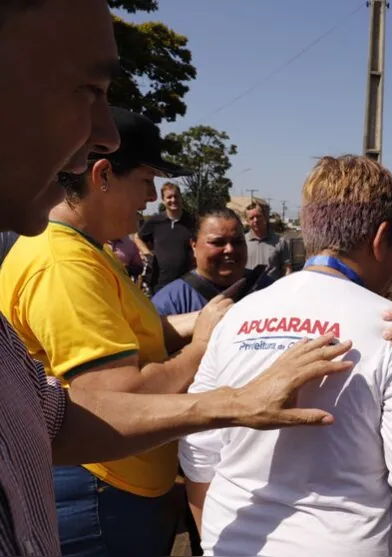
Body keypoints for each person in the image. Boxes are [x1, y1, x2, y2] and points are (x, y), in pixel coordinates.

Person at [0, 8, 353, 551]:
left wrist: (216, 337)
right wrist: (208, 353)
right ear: (101, 176)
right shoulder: (59, 263)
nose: (151, 198)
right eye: (90, 92)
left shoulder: (87, 255)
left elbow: (62, 403)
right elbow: (111, 395)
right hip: (102, 498)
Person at [179, 155, 392, 557]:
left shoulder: (235, 316)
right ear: (382, 238)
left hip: (230, 541)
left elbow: (198, 449)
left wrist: (214, 536)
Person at [153, 208, 272, 317]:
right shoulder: (169, 302)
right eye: (218, 243)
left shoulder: (269, 289)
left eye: (237, 242)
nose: (230, 249)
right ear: (194, 246)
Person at [135, 182, 195, 292]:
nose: (173, 200)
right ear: (163, 200)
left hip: (186, 281)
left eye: (176, 196)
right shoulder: (155, 221)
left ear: (181, 197)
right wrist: (147, 253)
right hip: (159, 282)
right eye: (169, 197)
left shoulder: (192, 221)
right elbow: (137, 237)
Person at [244, 201, 293, 279]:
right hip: (249, 290)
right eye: (251, 218)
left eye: (258, 216)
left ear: (265, 217)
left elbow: (287, 268)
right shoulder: (242, 241)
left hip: (272, 290)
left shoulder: (280, 241)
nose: (255, 220)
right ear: (247, 221)